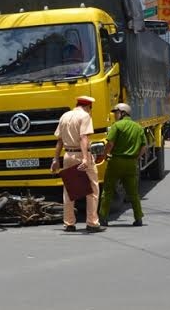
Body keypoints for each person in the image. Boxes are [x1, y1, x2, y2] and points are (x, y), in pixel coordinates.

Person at [50, 95, 103, 233]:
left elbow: (59, 141)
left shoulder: (64, 116)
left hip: (67, 155)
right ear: (88, 107)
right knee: (92, 189)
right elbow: (83, 137)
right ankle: (92, 223)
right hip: (81, 154)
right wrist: (85, 158)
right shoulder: (84, 116)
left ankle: (69, 223)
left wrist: (55, 159)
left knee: (69, 190)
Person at [98, 103, 146, 227]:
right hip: (131, 163)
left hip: (116, 162)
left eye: (116, 113)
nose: (114, 115)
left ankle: (103, 218)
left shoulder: (117, 126)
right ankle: (138, 218)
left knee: (108, 191)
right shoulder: (138, 127)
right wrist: (136, 158)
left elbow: (110, 144)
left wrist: (104, 155)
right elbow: (144, 147)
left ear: (123, 113)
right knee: (133, 192)